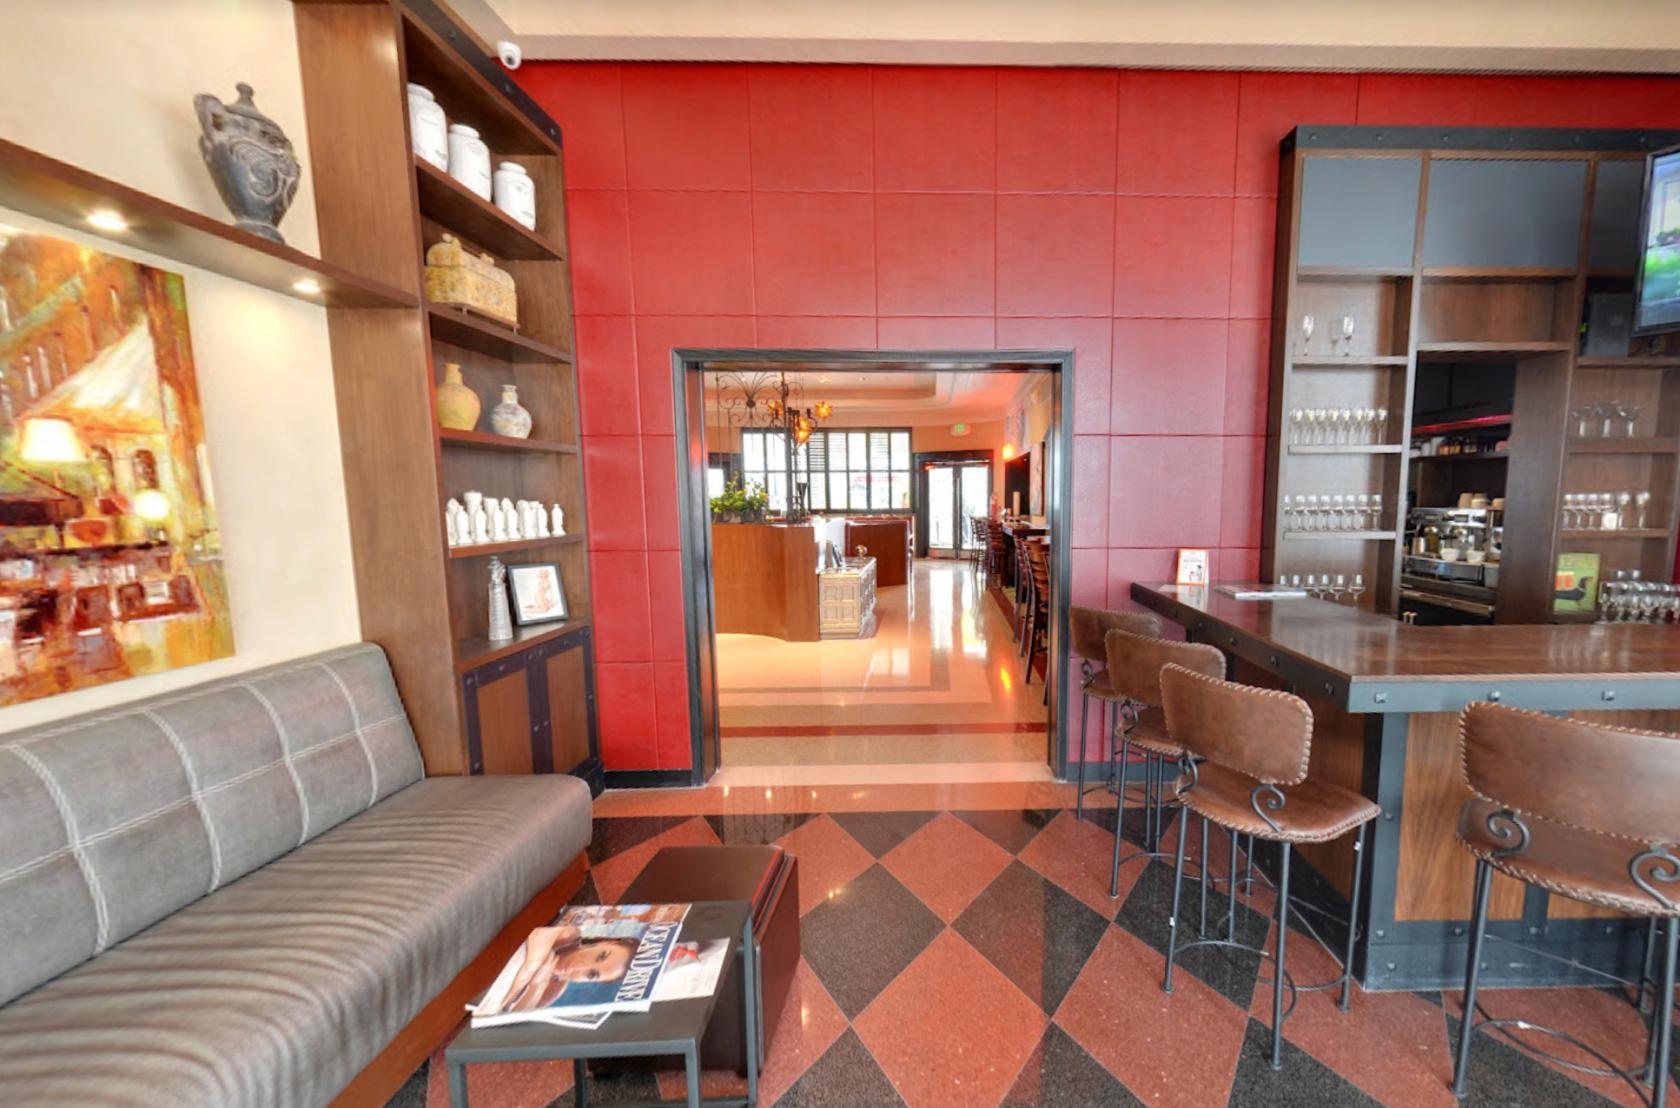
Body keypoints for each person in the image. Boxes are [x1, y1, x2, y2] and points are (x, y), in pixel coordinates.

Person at [500, 924, 639, 1012]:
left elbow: (512, 1018)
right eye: (601, 956)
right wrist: (532, 968)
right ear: (606, 942)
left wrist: (537, 985)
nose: (582, 966)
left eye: (591, 974)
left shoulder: (553, 990)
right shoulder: (569, 934)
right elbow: (540, 933)